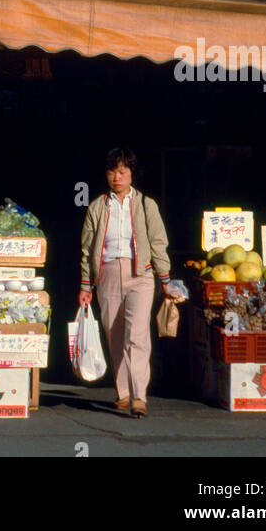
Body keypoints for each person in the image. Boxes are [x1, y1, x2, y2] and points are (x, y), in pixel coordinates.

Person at [78, 147, 177, 418]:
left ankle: (138, 396)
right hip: (107, 275)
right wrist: (86, 286)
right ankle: (122, 393)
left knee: (138, 336)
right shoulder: (97, 206)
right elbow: (87, 249)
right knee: (114, 334)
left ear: (132, 173)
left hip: (140, 277)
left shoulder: (146, 205)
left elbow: (158, 243)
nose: (117, 177)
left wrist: (165, 279)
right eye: (112, 171)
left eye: (122, 171)